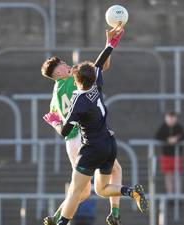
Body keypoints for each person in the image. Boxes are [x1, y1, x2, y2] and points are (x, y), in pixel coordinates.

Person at [43, 24, 148, 225]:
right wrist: (110, 44)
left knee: (88, 187)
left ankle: (111, 214)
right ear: (59, 75)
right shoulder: (77, 83)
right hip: (85, 139)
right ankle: (62, 218)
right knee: (82, 191)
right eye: (63, 66)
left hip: (81, 138)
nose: (68, 66)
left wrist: (55, 123)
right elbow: (100, 67)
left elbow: (96, 68)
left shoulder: (57, 94)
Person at [155, 111, 184, 199]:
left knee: (177, 175)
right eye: (169, 118)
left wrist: (177, 139)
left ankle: (178, 195)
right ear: (166, 118)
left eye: (173, 118)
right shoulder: (163, 127)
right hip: (166, 156)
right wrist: (167, 140)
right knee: (168, 175)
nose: (171, 120)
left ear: (176, 118)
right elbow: (157, 136)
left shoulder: (179, 127)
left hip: (177, 156)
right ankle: (170, 194)